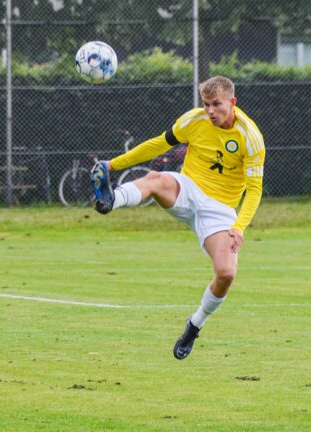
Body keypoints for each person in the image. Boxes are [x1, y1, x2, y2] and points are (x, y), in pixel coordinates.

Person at [92, 76, 265, 360]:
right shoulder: (193, 121)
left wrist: (239, 226)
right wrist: (112, 164)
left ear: (232, 103)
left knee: (226, 273)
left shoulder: (251, 137)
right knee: (156, 178)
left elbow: (255, 189)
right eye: (206, 104)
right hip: (188, 189)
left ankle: (195, 325)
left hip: (220, 210)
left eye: (216, 104)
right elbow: (157, 145)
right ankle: (112, 199)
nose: (210, 111)